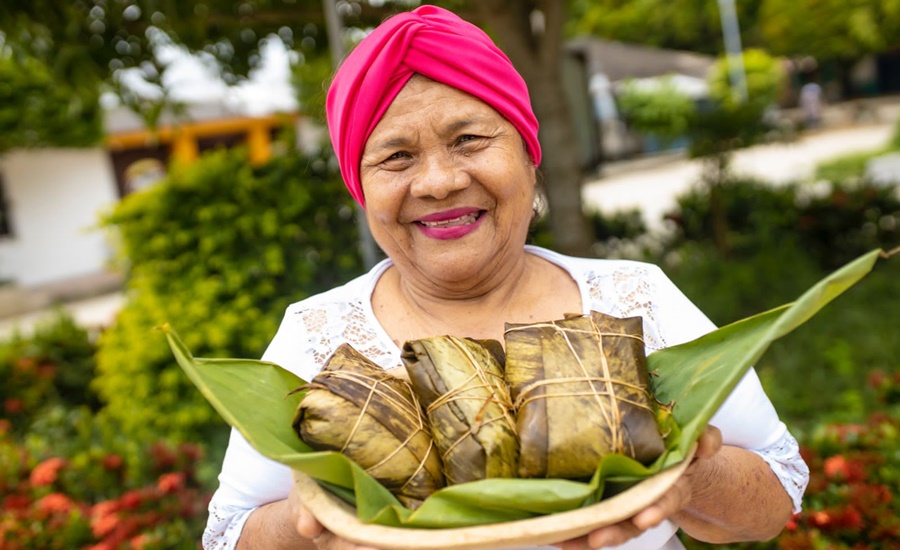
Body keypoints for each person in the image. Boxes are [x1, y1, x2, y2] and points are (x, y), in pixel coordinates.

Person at [202, 6, 808, 550]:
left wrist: (685, 474)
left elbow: (775, 492)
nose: (438, 182)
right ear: (361, 188)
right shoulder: (319, 338)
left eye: (468, 139)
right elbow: (228, 536)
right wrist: (318, 525)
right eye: (396, 156)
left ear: (526, 152)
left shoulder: (633, 298)